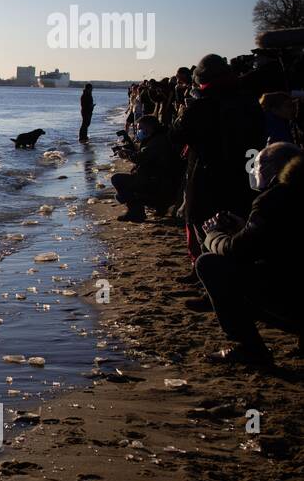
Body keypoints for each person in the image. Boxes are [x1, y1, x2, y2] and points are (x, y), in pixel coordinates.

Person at [195, 144, 304, 364]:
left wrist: (213, 236)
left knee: (209, 265)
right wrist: (245, 228)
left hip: (293, 299)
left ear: (276, 168)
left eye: (261, 164)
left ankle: (250, 348)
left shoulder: (274, 199)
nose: (256, 170)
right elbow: (281, 242)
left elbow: (237, 252)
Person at [169, 54, 264, 267]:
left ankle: (209, 278)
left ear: (201, 79)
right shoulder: (249, 101)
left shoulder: (202, 105)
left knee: (206, 229)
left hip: (207, 177)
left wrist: (185, 111)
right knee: (236, 227)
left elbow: (176, 136)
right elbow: (257, 138)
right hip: (245, 174)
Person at [109, 116, 182, 221]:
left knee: (117, 180)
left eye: (140, 128)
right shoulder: (162, 137)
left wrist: (127, 155)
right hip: (166, 182)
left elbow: (142, 158)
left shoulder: (157, 141)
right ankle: (159, 206)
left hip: (159, 183)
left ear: (148, 128)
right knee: (123, 191)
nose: (139, 131)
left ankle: (136, 212)